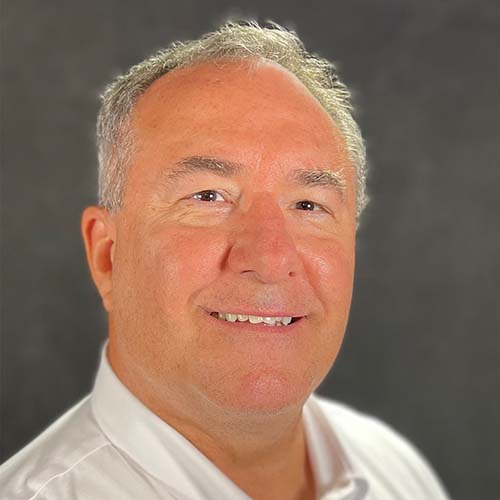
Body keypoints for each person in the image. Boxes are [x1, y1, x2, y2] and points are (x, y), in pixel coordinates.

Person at [0, 21, 451, 500]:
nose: (271, 258)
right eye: (208, 196)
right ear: (108, 256)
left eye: (308, 205)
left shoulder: (394, 470)